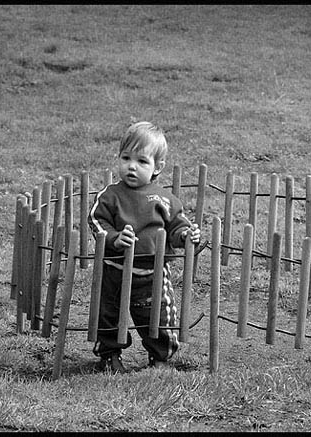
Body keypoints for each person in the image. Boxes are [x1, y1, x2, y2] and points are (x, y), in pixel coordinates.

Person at [88, 121, 201, 373]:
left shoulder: (165, 199)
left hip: (152, 273)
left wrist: (186, 236)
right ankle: (109, 357)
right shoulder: (110, 196)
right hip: (114, 269)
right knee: (109, 316)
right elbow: (96, 220)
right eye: (126, 158)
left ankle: (160, 358)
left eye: (142, 161)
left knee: (158, 317)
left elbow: (176, 227)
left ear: (157, 167)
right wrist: (113, 238)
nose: (131, 166)